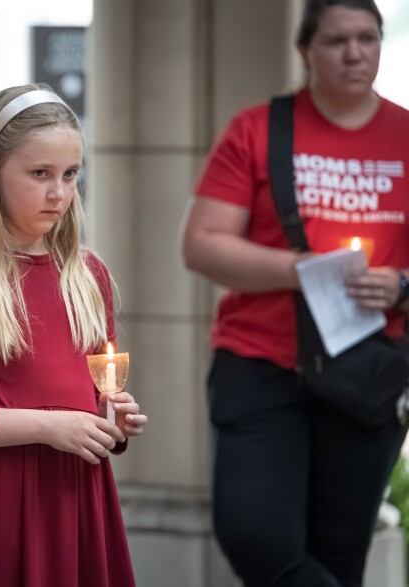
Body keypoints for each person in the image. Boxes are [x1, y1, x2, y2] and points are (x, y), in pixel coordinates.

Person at [181, 1, 409, 584]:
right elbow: (202, 244)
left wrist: (401, 286)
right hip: (261, 363)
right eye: (336, 41)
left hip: (366, 372)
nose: (355, 53)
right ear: (305, 50)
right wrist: (304, 268)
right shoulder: (258, 128)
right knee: (254, 535)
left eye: (367, 38)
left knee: (339, 556)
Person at [0, 84, 148, 587]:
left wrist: (110, 418)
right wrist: (48, 426)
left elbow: (91, 397)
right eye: (39, 174)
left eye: (70, 174)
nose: (59, 192)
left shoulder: (89, 274)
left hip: (77, 495)